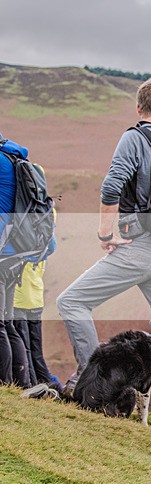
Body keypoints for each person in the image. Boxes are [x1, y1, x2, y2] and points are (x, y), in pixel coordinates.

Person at [56, 76, 151, 419]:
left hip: (139, 246)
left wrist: (106, 233)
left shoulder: (134, 138)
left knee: (72, 302)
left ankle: (96, 388)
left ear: (138, 107)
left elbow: (111, 185)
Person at [0, 132, 30, 386]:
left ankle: (6, 382)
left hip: (1, 253)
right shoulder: (12, 157)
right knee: (8, 323)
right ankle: (19, 382)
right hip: (14, 253)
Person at [14, 261, 58, 388]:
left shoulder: (16, 245)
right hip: (35, 298)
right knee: (36, 352)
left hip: (18, 300)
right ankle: (48, 385)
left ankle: (31, 386)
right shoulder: (43, 241)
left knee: (24, 348)